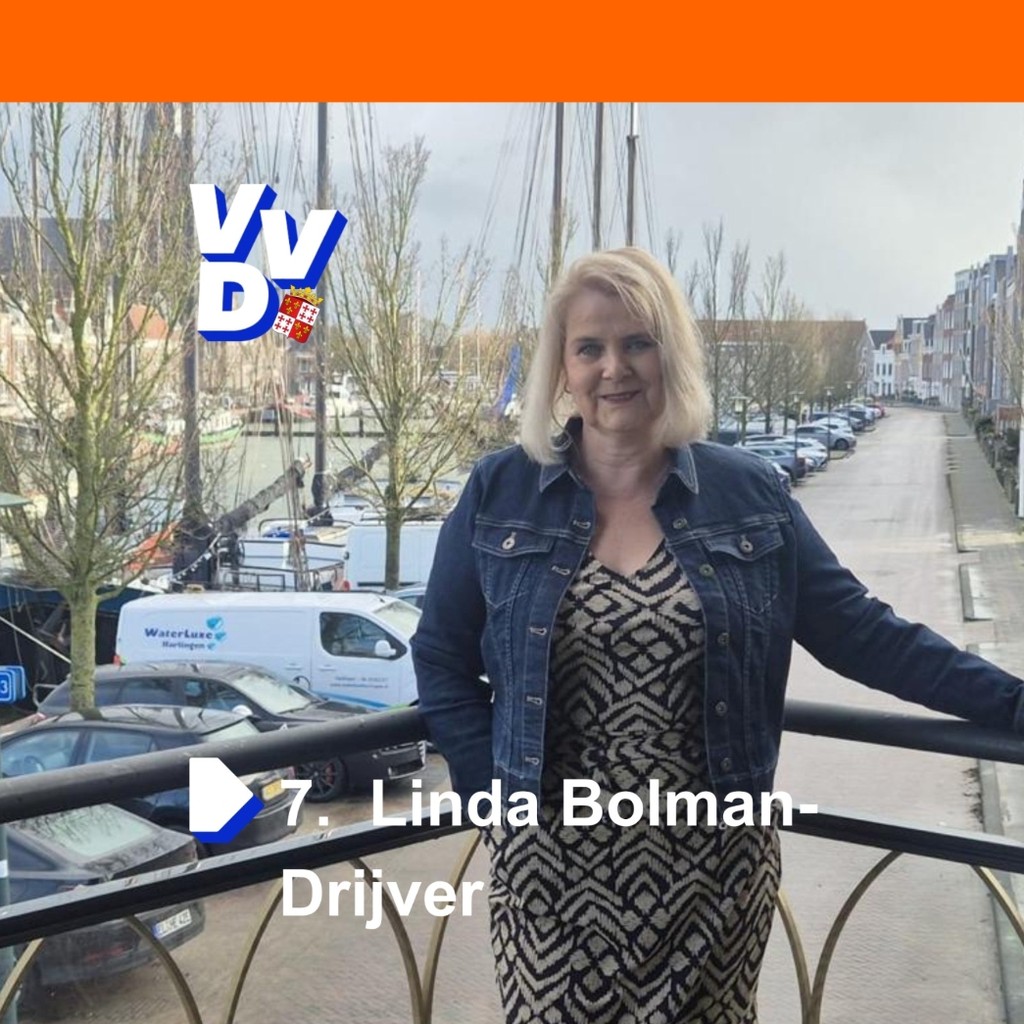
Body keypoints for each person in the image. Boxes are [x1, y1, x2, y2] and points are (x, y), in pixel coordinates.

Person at [410, 247, 1024, 1024]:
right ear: (561, 367)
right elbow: (440, 655)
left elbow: (865, 634)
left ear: (671, 353)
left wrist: (1011, 703)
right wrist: (490, 795)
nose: (613, 368)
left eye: (637, 342)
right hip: (549, 880)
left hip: (713, 881)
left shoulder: (748, 493)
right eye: (589, 347)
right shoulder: (499, 492)